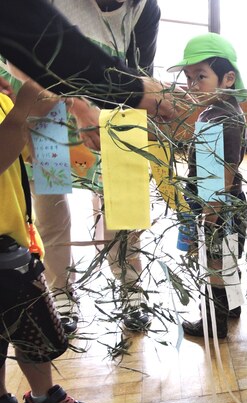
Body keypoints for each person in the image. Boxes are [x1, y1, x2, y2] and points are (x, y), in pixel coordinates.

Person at [24, 0, 161, 333]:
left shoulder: (145, 8)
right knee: (52, 206)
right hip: (50, 106)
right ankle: (60, 292)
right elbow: (27, 60)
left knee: (124, 205)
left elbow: (140, 70)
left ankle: (130, 288)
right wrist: (78, 107)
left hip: (113, 111)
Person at [0, 81, 98, 403]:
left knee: (34, 330)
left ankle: (42, 396)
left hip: (15, 240)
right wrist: (24, 110)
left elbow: (22, 153)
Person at [167, 33, 247, 339]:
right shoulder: (217, 110)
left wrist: (209, 215)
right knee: (226, 258)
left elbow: (225, 176)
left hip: (219, 207)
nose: (192, 85)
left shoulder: (224, 118)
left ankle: (214, 325)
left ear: (228, 78)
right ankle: (233, 306)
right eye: (189, 78)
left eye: (200, 77)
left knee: (214, 263)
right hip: (217, 203)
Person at [0, 0, 177, 119]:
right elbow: (25, 55)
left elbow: (141, 79)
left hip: (96, 129)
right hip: (27, 114)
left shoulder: (144, 9)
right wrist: (76, 105)